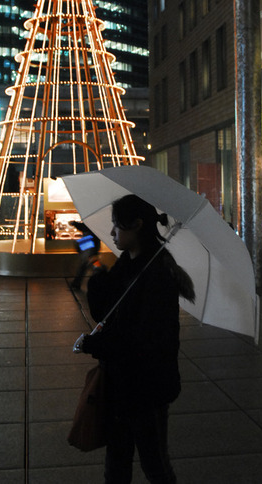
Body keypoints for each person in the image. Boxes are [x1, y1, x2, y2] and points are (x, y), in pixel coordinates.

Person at [80, 194, 195, 484]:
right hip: (121, 385)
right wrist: (98, 277)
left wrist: (97, 345)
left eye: (117, 225)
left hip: (148, 388)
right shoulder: (127, 264)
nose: (112, 232)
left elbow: (146, 340)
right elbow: (105, 314)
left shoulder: (157, 276)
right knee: (116, 463)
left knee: (154, 464)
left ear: (138, 225)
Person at [70, 220, 101, 290]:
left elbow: (84, 227)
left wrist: (74, 223)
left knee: (85, 265)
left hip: (89, 246)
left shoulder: (90, 224)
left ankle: (77, 283)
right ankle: (77, 283)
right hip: (92, 246)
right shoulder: (95, 225)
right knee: (89, 264)